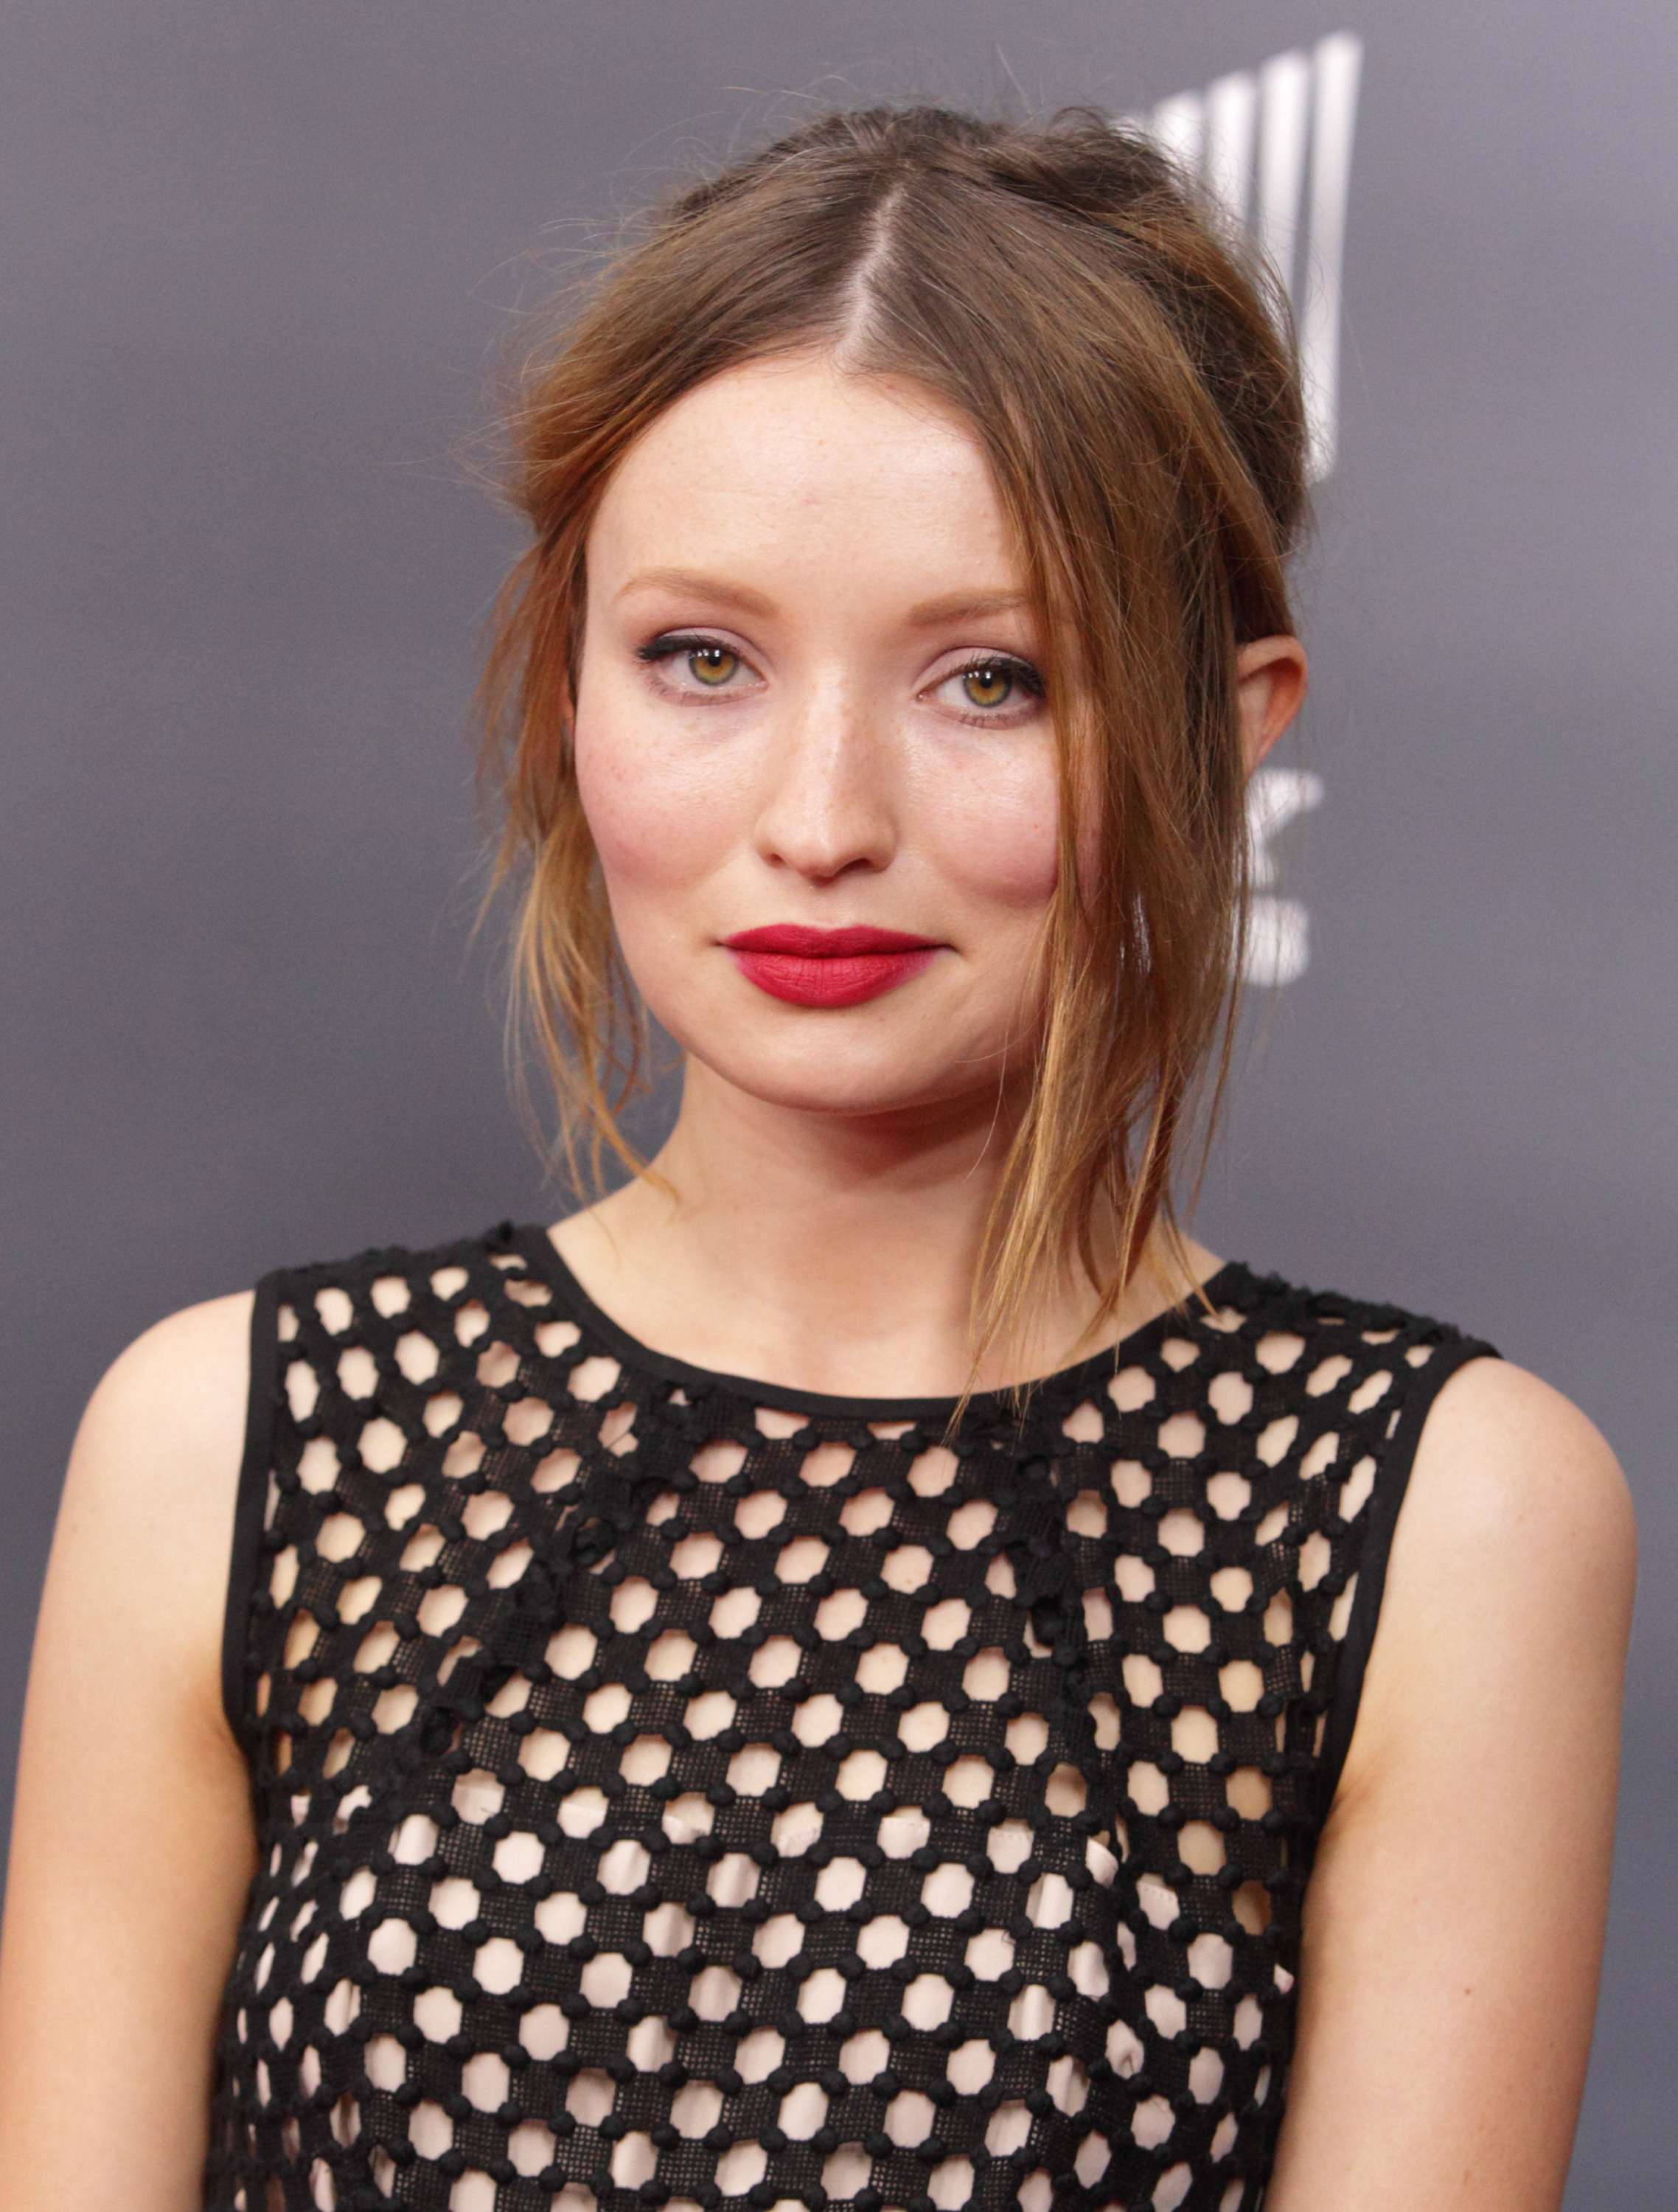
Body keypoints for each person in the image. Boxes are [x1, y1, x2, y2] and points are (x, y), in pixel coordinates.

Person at [0, 104, 1634, 2212]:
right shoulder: (229, 1443)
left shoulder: (1443, 1518)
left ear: (1220, 737)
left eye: (988, 678)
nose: (819, 813)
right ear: (564, 685)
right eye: (701, 658)